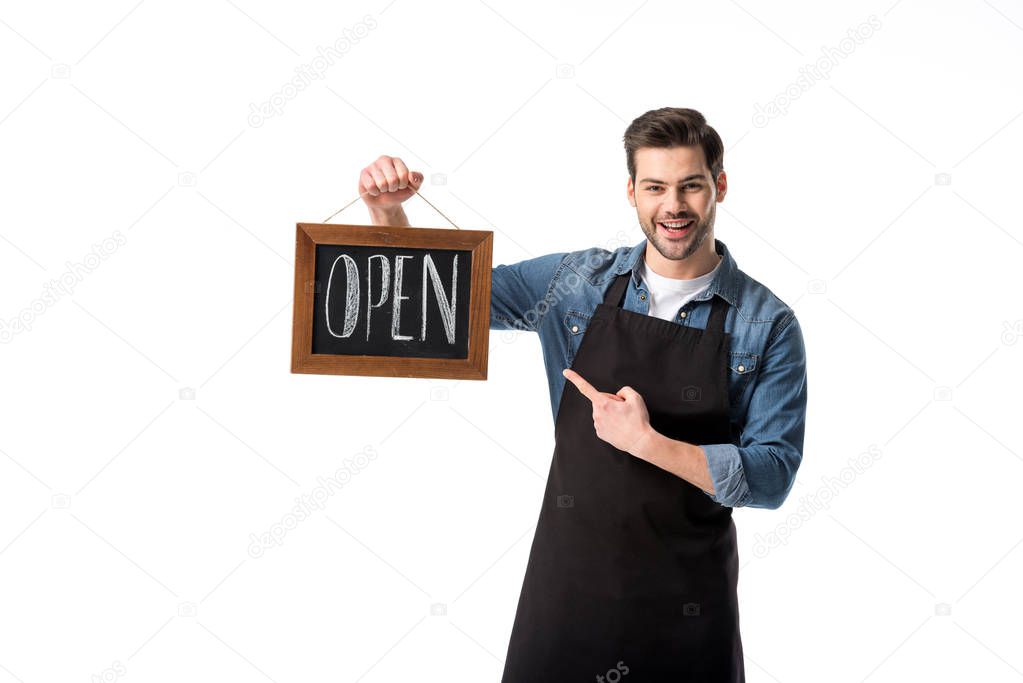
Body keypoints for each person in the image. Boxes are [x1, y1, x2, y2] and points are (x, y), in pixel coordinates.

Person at [358, 107, 807, 682]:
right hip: (567, 593)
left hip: (689, 608)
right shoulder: (574, 285)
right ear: (631, 192)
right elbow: (438, 303)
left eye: (691, 186)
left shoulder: (766, 324)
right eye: (655, 187)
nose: (673, 205)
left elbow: (772, 477)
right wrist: (387, 211)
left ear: (718, 186)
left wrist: (647, 442)